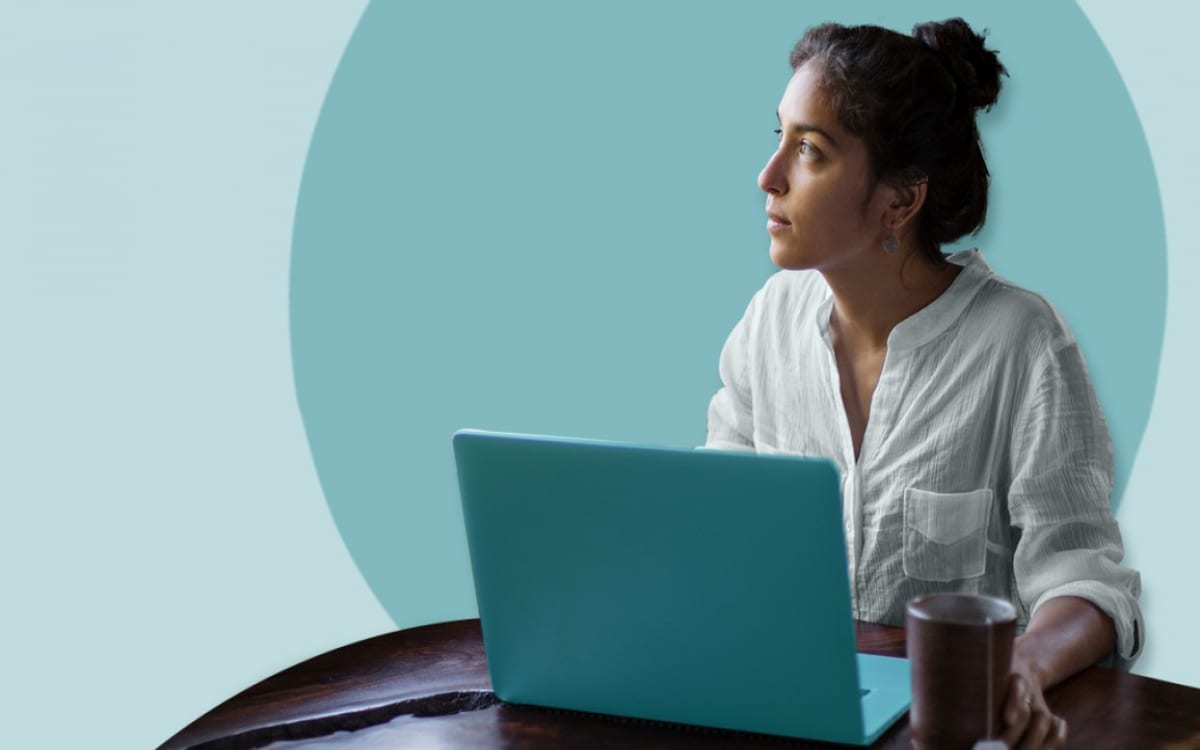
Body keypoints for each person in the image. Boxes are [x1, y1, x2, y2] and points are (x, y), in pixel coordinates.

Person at [705, 18, 1143, 750]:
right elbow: (712, 521)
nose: (768, 175)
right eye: (779, 135)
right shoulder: (767, 324)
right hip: (787, 717)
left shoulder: (1023, 344)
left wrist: (1023, 669)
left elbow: (1087, 584)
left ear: (899, 203)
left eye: (809, 150)